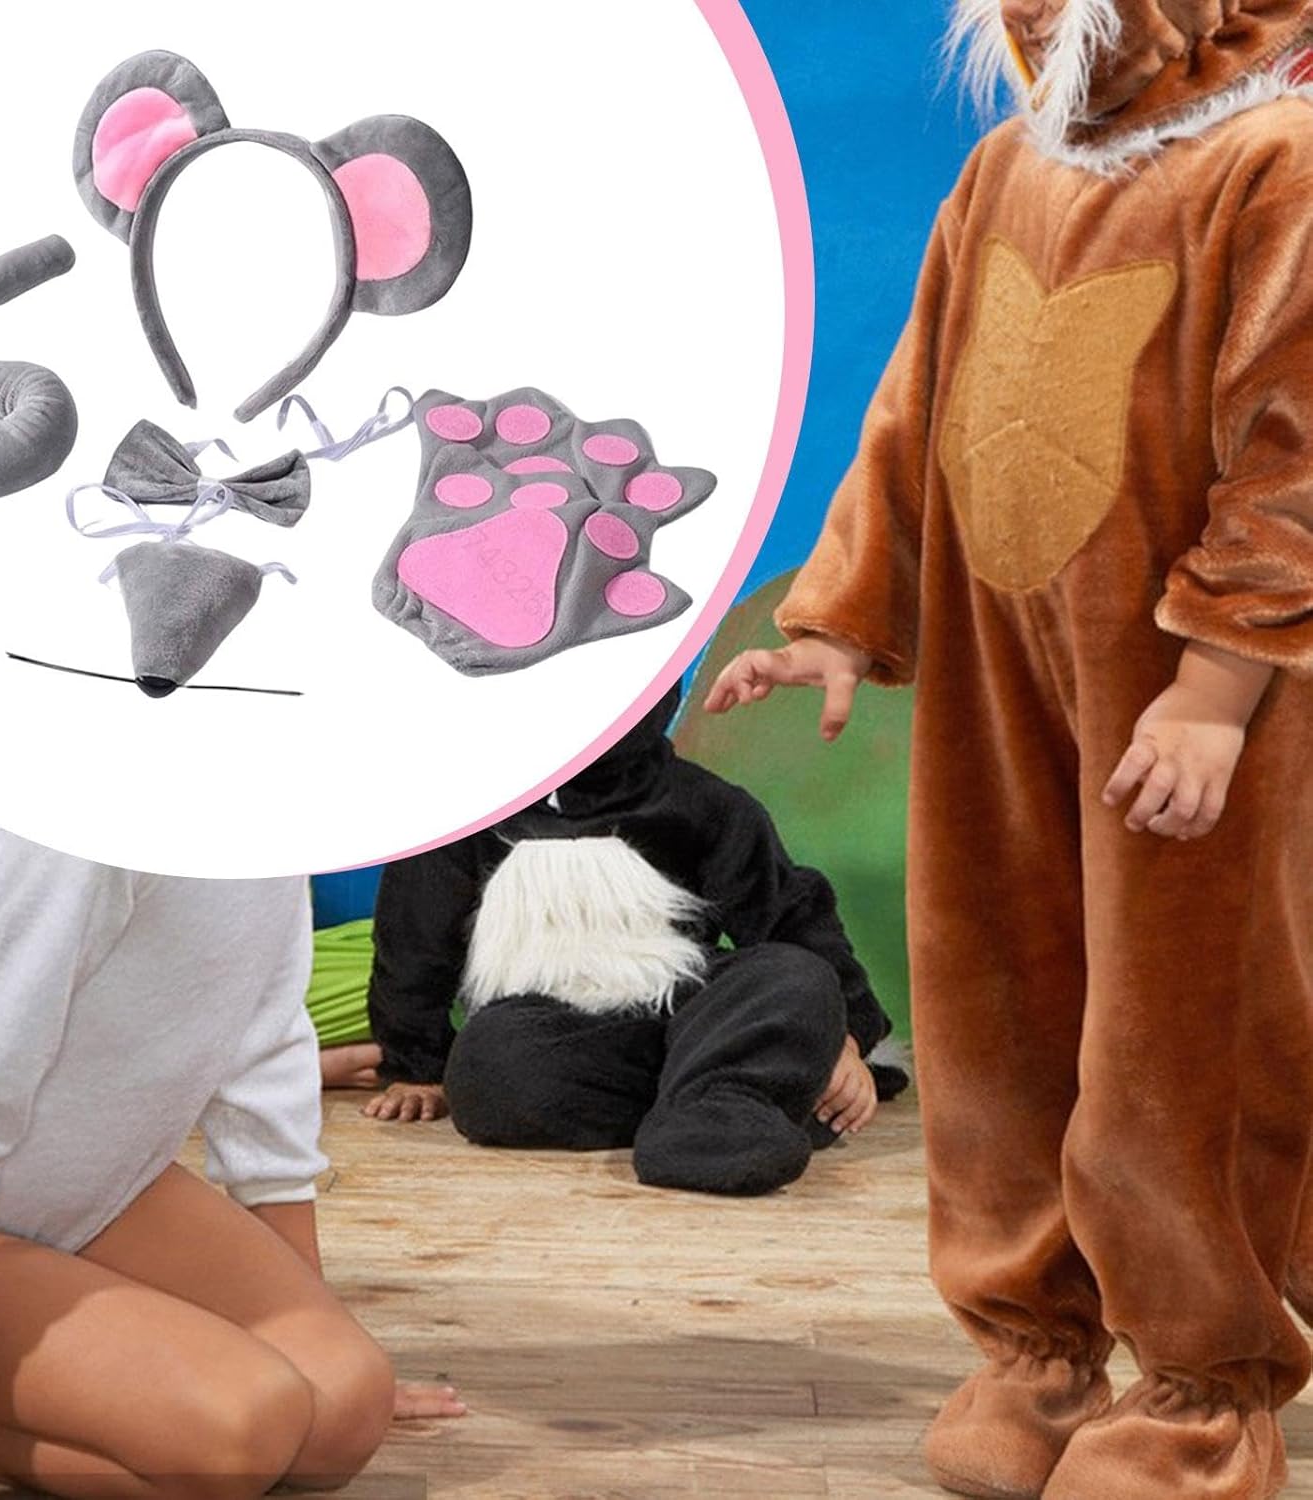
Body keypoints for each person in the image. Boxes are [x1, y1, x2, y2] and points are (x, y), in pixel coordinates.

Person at [707, 2, 1312, 1497]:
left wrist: (1216, 687)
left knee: (1181, 1027)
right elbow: (915, 409)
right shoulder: (1005, 168)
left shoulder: (1274, 163)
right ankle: (1037, 1351)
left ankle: (1203, 1386)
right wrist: (845, 617)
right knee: (996, 997)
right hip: (1000, 679)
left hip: (1182, 687)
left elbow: (1296, 447)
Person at [0, 820, 461, 1500]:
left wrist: (314, 1333)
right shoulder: (78, 822)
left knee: (343, 1414)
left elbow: (264, 1039)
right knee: (237, 1437)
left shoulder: (278, 806)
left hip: (87, 1189)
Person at [362, 685, 906, 1196]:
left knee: (794, 975)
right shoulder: (473, 811)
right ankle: (727, 1096)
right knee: (489, 1064)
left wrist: (845, 1040)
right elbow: (414, 942)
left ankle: (722, 1100)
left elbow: (792, 916)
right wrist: (417, 1068)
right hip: (560, 1031)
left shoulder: (702, 803)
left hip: (688, 1006)